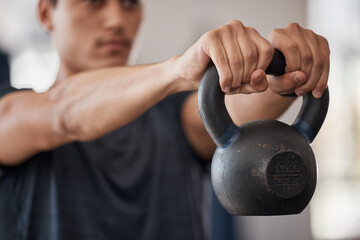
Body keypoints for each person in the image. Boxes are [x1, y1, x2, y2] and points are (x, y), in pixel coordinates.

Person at [0, 0, 330, 239]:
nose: (117, 18)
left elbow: (241, 115)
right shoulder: (15, 112)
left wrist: (286, 75)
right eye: (94, 2)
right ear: (46, 13)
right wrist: (177, 70)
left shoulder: (178, 119)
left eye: (130, 3)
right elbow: (61, 112)